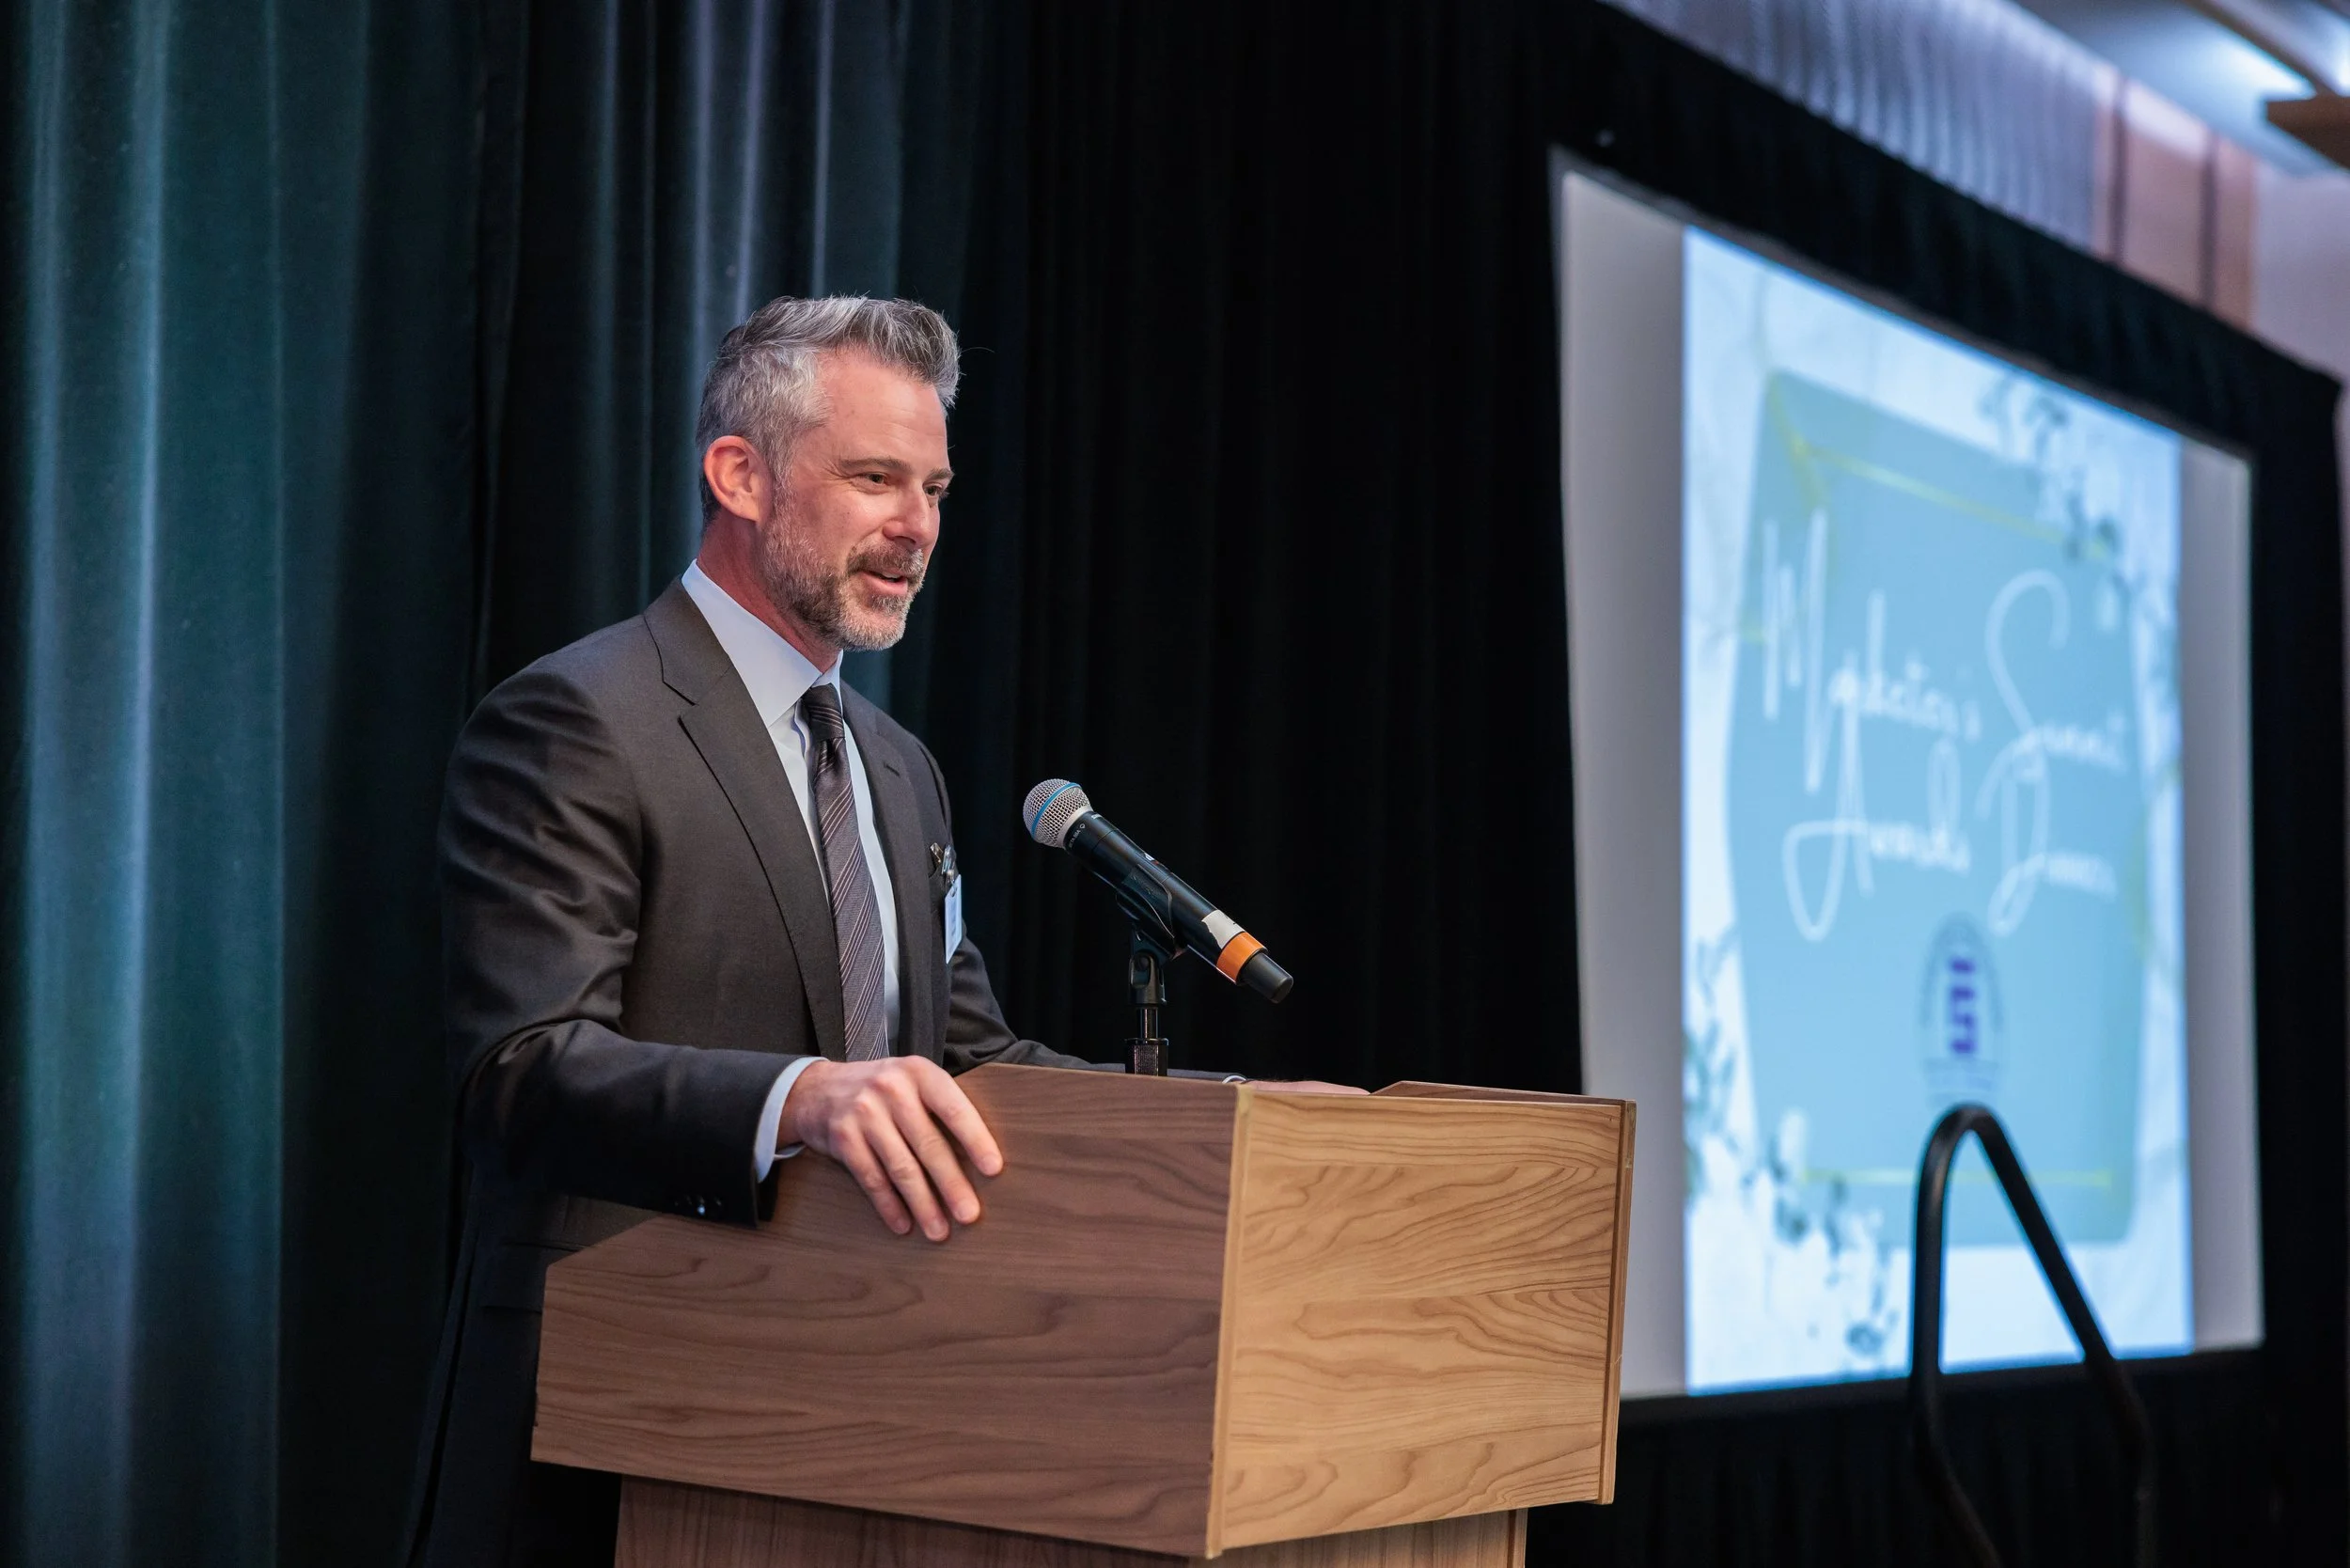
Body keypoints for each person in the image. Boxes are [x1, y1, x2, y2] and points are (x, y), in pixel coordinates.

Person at [405, 297, 1343, 1567]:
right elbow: (518, 1068)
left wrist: (1229, 1134)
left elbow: (960, 1060)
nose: (918, 529)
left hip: (864, 1421)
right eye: (874, 479)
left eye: (936, 488)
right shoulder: (579, 720)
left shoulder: (901, 771)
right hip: (619, 1432)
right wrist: (802, 1099)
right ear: (740, 473)